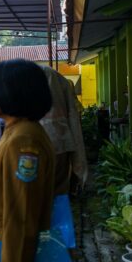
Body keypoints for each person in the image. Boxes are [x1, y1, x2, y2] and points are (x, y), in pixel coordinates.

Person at [0, 59, 55, 262]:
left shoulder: (24, 140)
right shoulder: (15, 130)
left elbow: (20, 219)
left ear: (13, 92)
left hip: (5, 255)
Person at [39, 66, 87, 195]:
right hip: (63, 142)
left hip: (51, 146)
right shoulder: (61, 84)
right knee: (59, 191)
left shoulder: (35, 108)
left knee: (52, 191)